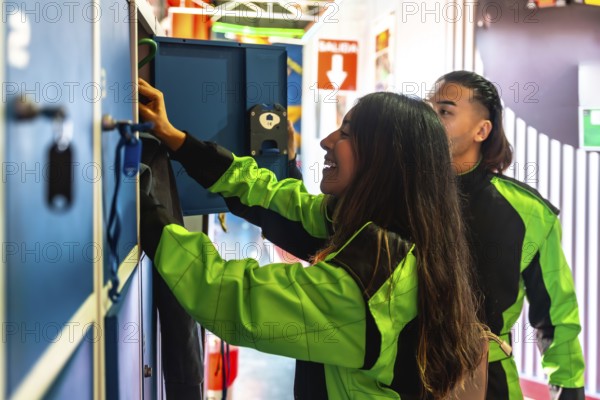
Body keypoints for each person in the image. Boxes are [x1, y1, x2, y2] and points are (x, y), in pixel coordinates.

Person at [137, 77, 485, 399]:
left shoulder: (377, 275)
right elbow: (272, 198)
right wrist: (177, 140)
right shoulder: (382, 229)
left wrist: (140, 205)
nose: (326, 141)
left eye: (346, 134)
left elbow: (233, 297)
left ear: (383, 158)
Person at [429, 70, 585, 400]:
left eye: (444, 111)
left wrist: (568, 388)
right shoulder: (399, 193)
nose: (430, 117)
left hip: (488, 383)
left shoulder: (528, 212)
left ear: (481, 130)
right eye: (428, 108)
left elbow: (556, 314)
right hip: (396, 378)